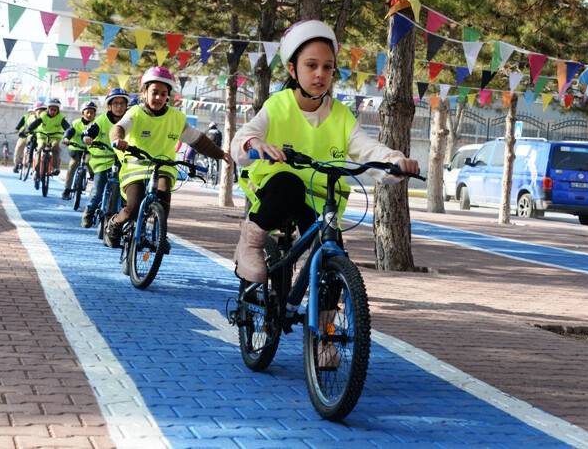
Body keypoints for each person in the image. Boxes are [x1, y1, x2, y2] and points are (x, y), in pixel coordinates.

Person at [230, 20, 419, 366]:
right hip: (273, 191)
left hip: (319, 200)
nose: (320, 74)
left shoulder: (342, 115)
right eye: (311, 65)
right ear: (292, 68)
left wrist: (395, 160)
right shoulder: (278, 105)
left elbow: (366, 149)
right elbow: (244, 136)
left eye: (328, 67)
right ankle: (251, 242)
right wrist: (255, 143)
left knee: (333, 261)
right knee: (288, 184)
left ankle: (325, 339)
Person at [104, 66, 231, 251]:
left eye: (163, 94)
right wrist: (117, 139)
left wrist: (221, 154)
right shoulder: (135, 113)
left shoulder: (176, 117)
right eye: (154, 92)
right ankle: (114, 223)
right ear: (144, 92)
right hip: (135, 168)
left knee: (163, 194)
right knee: (132, 208)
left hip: (163, 167)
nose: (159, 98)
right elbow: (119, 127)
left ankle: (160, 234)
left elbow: (197, 140)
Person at [80, 88, 129, 228]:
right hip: (103, 162)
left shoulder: (130, 119)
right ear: (109, 106)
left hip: (124, 162)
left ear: (126, 106)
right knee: (97, 191)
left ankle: (124, 217)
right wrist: (87, 137)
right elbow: (88, 132)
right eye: (116, 103)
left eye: (122, 104)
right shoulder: (102, 120)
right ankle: (88, 212)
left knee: (127, 193)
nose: (119, 107)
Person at [61, 101, 97, 200]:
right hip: (76, 148)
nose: (89, 114)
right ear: (83, 113)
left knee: (92, 163)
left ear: (95, 114)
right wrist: (66, 138)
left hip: (90, 150)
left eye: (92, 112)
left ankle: (93, 178)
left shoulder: (97, 124)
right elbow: (69, 131)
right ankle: (67, 190)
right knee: (72, 165)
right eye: (87, 112)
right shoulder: (76, 123)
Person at [24, 98, 69, 176]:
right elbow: (35, 123)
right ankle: (36, 170)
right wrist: (28, 129)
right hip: (42, 136)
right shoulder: (43, 115)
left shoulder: (61, 117)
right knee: (40, 148)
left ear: (58, 110)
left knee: (55, 147)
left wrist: (68, 135)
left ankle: (55, 168)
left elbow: (68, 127)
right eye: (51, 109)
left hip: (55, 137)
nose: (53, 112)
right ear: (48, 109)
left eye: (55, 110)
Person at [12, 103, 38, 173]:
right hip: (24, 135)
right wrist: (17, 130)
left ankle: (30, 163)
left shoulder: (39, 118)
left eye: (33, 112)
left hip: (33, 136)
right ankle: (16, 164)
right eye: (30, 112)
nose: (31, 113)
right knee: (19, 147)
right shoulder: (25, 117)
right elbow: (19, 126)